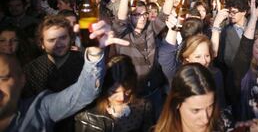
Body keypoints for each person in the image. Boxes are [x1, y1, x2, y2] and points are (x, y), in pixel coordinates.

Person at [0, 20, 129, 132]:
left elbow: (84, 92)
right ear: (42, 44)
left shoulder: (85, 61)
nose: (58, 44)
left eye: (63, 38)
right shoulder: (31, 69)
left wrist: (95, 53)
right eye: (51, 40)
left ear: (71, 39)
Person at [75, 55, 154, 132]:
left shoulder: (143, 107)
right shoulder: (89, 115)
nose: (122, 98)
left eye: (127, 91)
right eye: (114, 92)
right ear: (104, 87)